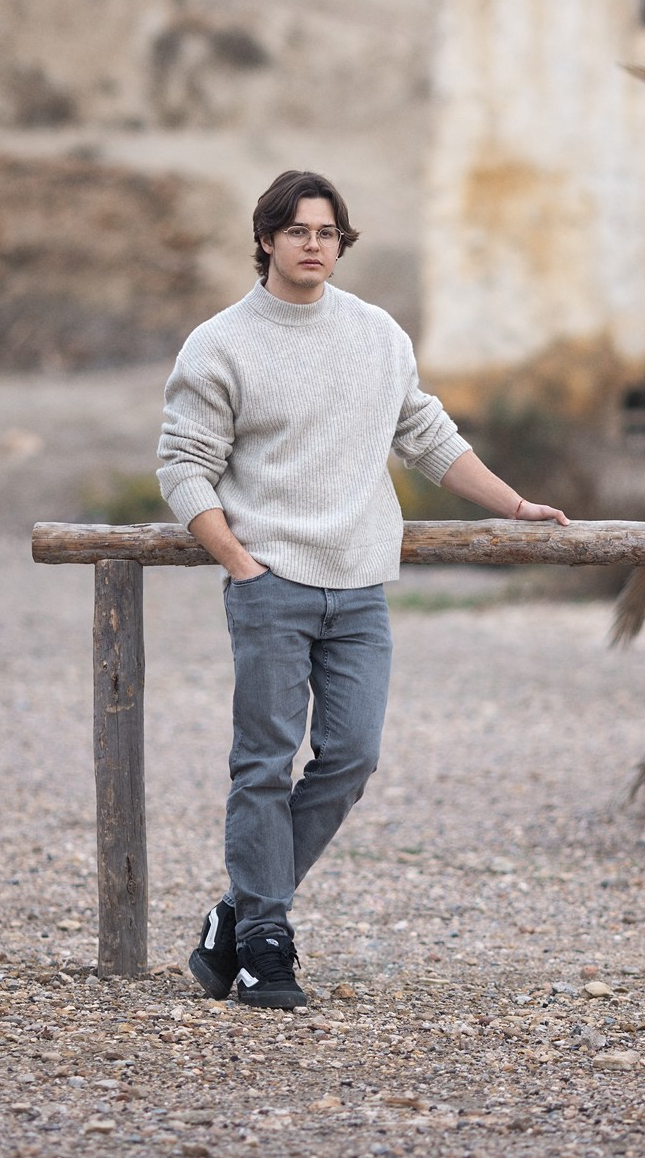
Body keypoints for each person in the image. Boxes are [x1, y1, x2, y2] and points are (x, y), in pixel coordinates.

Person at [156, 169, 569, 1009]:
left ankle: (236, 912)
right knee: (264, 764)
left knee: (351, 755)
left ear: (342, 244)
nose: (315, 244)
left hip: (361, 588)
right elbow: (182, 464)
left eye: (329, 232)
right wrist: (240, 562)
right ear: (266, 238)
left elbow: (426, 436)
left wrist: (517, 504)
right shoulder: (220, 342)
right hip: (269, 584)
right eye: (299, 230)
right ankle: (265, 943)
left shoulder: (378, 334)